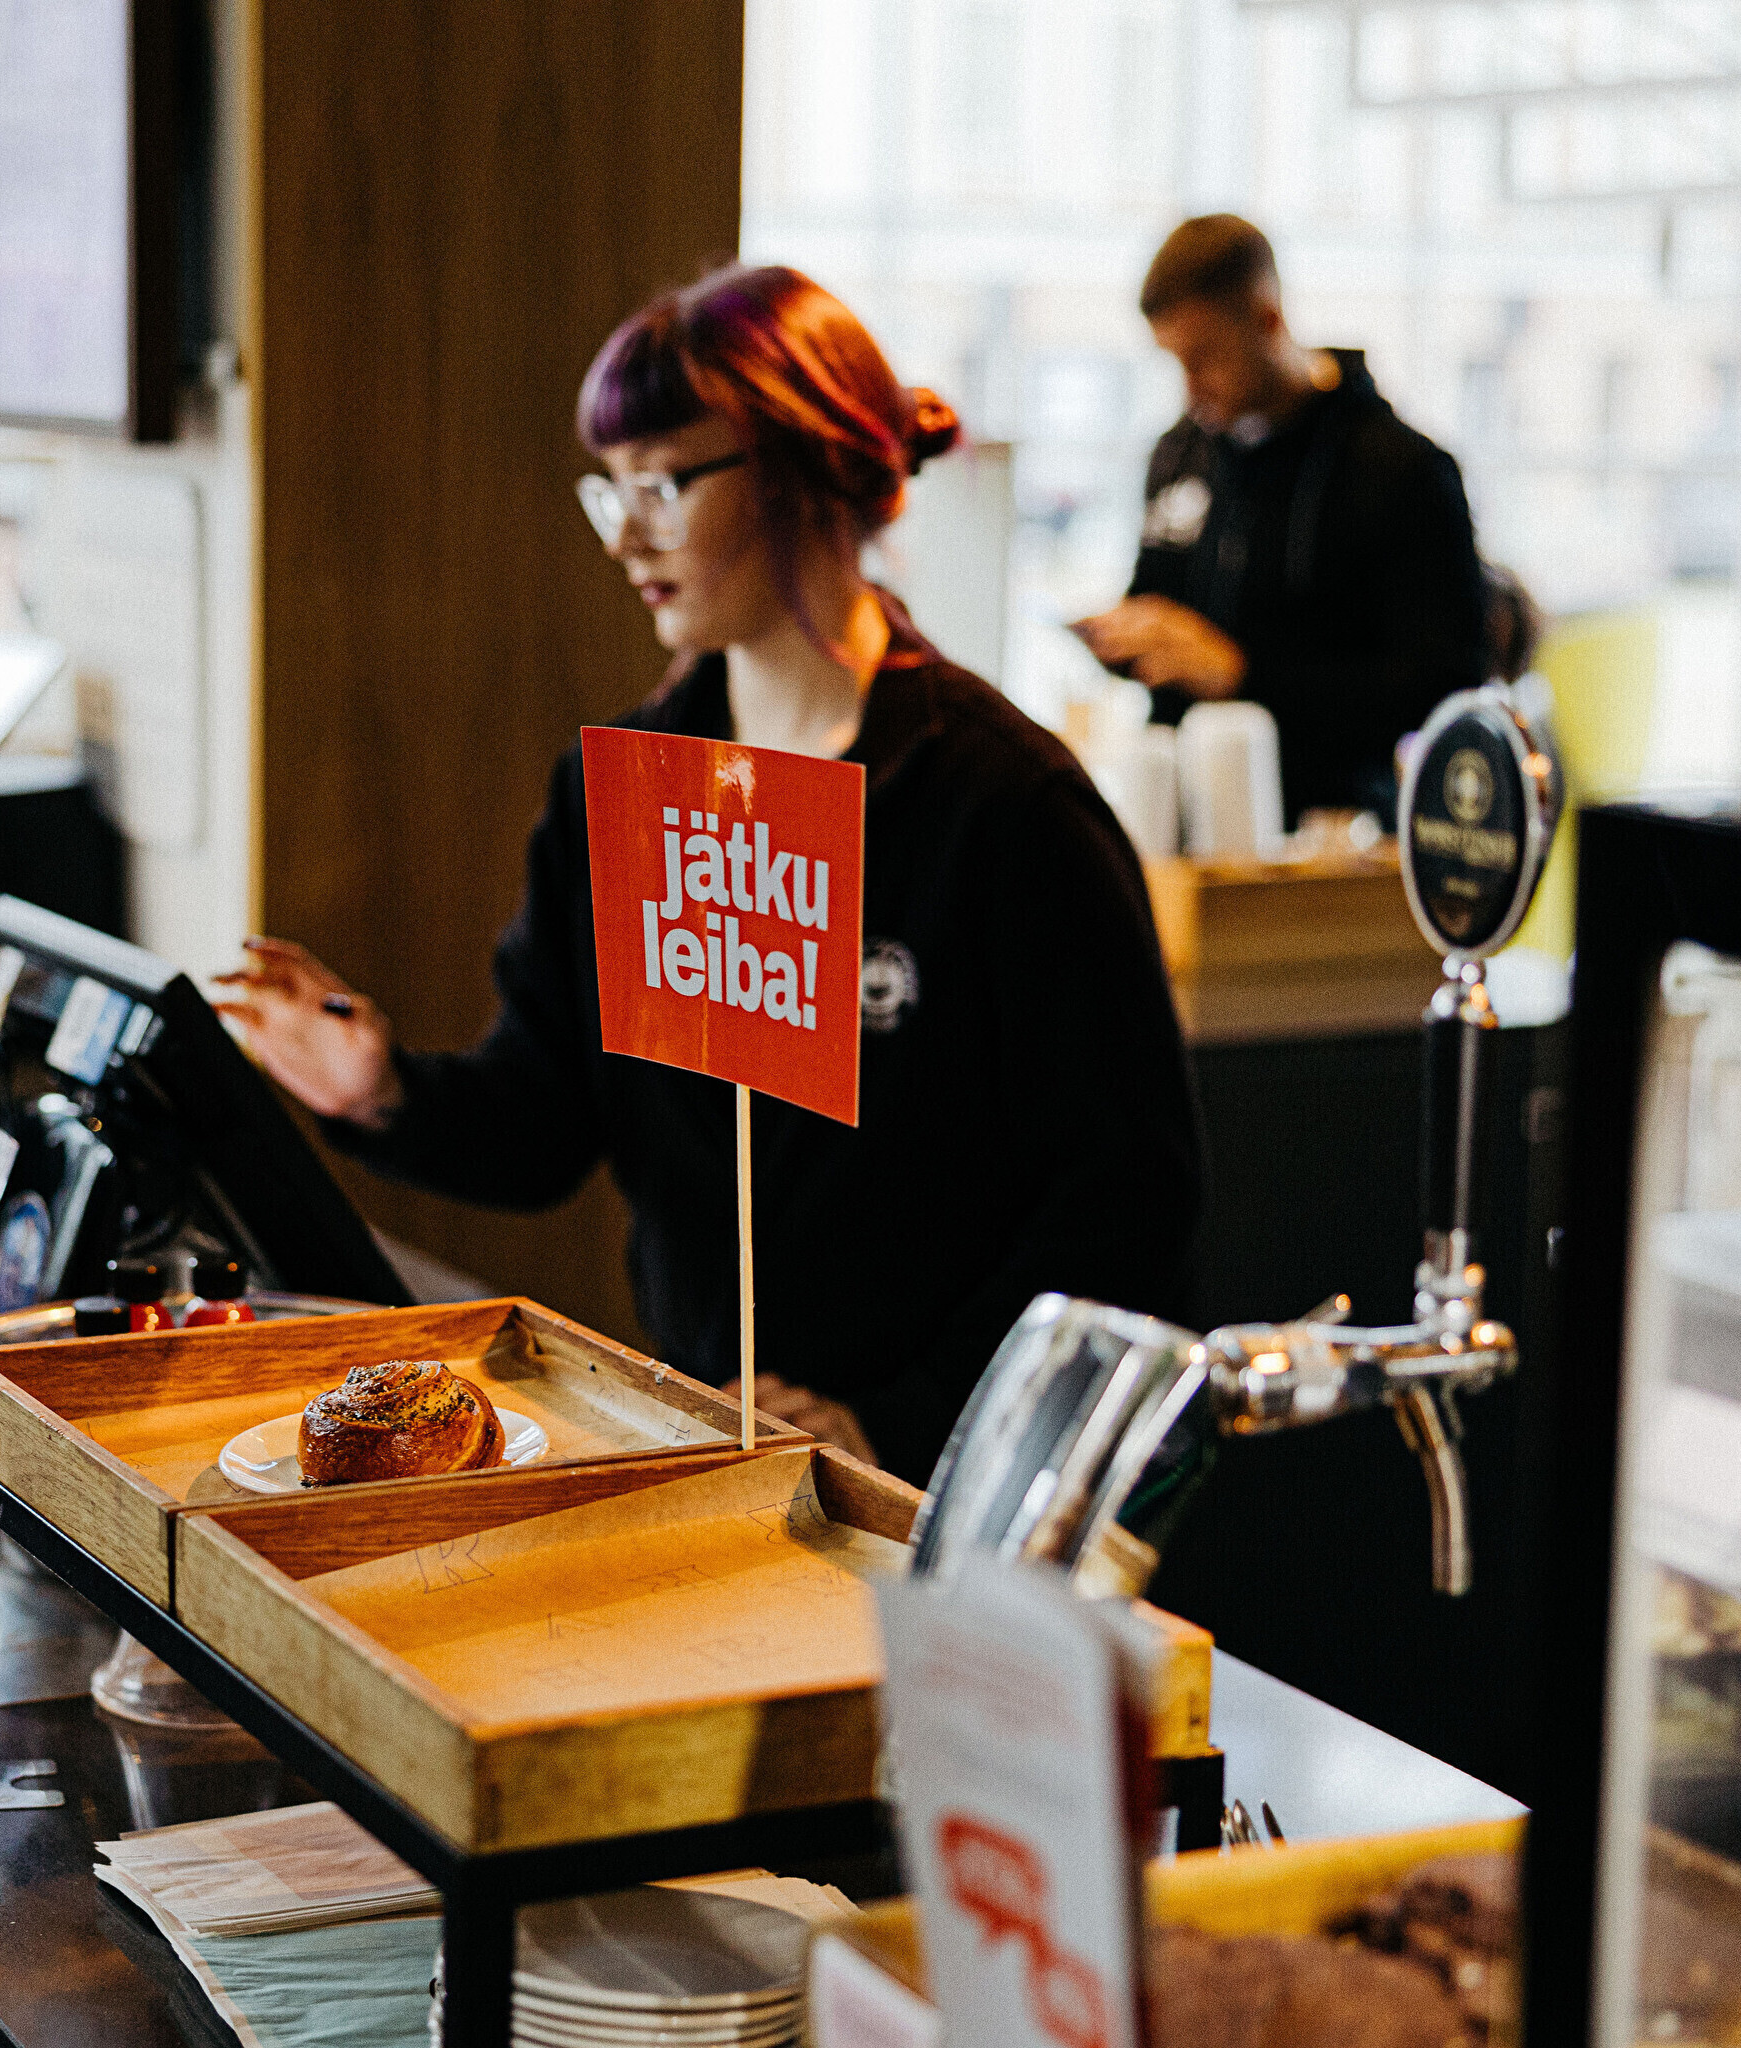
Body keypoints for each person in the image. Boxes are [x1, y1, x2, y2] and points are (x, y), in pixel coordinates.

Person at [217, 265, 1203, 1480]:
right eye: (611, 489)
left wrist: (895, 1418)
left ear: (804, 466)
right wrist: (379, 1091)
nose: (625, 535)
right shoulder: (627, 794)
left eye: (662, 485)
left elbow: (1132, 1202)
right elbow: (544, 1121)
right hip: (703, 1445)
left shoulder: (1004, 807)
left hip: (945, 1483)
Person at [1074, 214, 1486, 824]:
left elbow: (1444, 684)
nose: (1189, 391)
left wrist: (1243, 674)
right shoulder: (1179, 453)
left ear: (1267, 320)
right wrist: (1130, 635)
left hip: (1333, 829)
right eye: (1175, 363)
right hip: (1182, 819)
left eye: (1204, 359)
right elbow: (1156, 593)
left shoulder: (1402, 469)